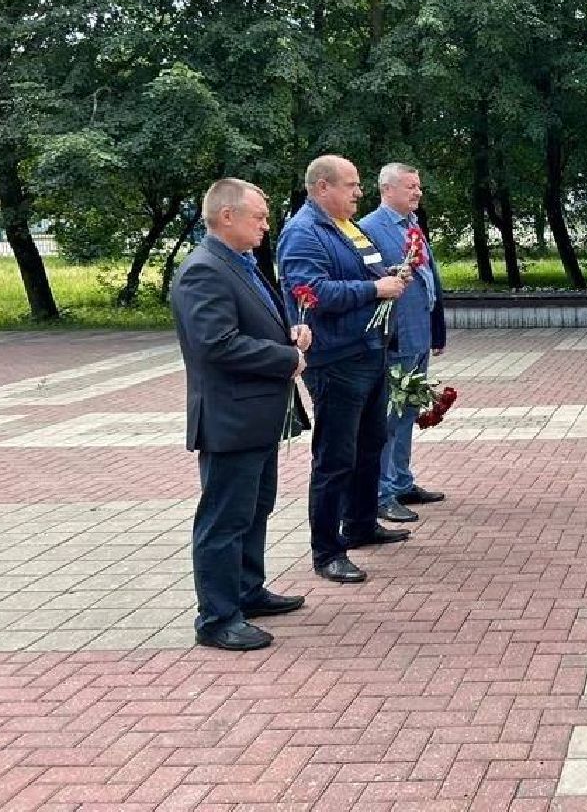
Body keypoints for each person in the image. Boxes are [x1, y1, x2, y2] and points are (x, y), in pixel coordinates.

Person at [171, 179, 310, 651]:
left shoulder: (239, 264)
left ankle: (247, 591)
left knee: (255, 508)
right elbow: (217, 344)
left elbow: (245, 326)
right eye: (259, 217)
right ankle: (217, 617)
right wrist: (285, 359)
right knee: (223, 520)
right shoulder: (204, 270)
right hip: (230, 418)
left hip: (256, 416)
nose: (266, 225)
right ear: (226, 216)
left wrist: (286, 337)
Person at [278, 155, 412, 584]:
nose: (359, 193)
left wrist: (390, 276)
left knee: (369, 442)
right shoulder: (303, 233)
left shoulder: (344, 227)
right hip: (336, 359)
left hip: (367, 350)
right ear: (322, 188)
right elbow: (311, 293)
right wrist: (376, 288)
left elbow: (360, 273)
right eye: (350, 185)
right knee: (335, 457)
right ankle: (327, 550)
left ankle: (360, 524)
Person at [360, 163, 448, 523]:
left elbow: (430, 277)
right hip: (395, 338)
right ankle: (382, 492)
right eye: (410, 187)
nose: (417, 193)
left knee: (409, 410)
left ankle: (401, 480)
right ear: (387, 190)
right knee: (389, 417)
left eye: (419, 187)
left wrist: (437, 328)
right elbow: (371, 282)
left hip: (418, 334)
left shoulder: (412, 225)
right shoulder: (370, 229)